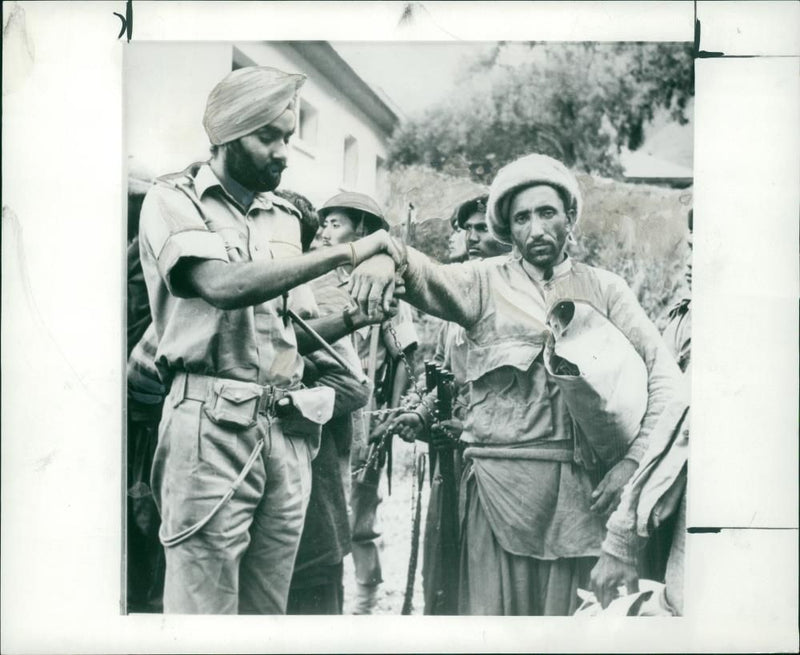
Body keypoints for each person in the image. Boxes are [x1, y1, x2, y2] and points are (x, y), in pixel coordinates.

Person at [347, 153, 686, 615]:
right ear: (507, 227)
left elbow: (667, 385)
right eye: (521, 217)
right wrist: (389, 259)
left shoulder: (607, 290)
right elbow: (428, 278)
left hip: (583, 506)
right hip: (498, 499)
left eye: (547, 212)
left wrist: (631, 464)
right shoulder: (483, 283)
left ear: (570, 217)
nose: (536, 228)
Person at [137, 65, 403, 615]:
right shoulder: (172, 200)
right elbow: (221, 285)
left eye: (288, 135)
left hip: (283, 431)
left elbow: (292, 335)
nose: (283, 151)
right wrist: (348, 251)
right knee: (203, 613)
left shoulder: (283, 217)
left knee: (268, 615)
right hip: (208, 426)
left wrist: (357, 316)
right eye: (268, 137)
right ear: (226, 136)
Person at [373, 194, 511, 615]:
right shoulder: (457, 303)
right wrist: (420, 411)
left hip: (497, 462)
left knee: (486, 582)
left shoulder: (516, 302)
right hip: (451, 462)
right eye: (467, 228)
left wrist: (468, 423)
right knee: (444, 572)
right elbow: (449, 376)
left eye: (483, 228)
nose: (472, 236)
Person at [314, 191, 420, 614]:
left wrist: (388, 416)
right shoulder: (313, 279)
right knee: (325, 506)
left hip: (369, 414)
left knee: (361, 511)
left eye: (335, 224)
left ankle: (365, 594)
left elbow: (404, 356)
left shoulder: (385, 284)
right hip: (328, 407)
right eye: (323, 223)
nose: (324, 231)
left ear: (363, 231)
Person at [589, 209, 693, 615]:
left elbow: (680, 430)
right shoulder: (684, 317)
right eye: (691, 247)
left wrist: (622, 540)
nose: (692, 263)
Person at [285, 194, 373, 615]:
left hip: (311, 459)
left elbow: (354, 385)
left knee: (312, 586)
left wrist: (285, 404)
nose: (325, 233)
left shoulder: (318, 291)